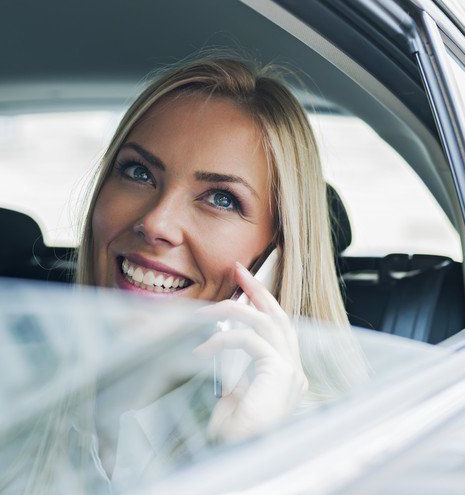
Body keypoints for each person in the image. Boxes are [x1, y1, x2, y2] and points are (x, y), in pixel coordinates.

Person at [75, 55, 366, 446]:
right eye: (139, 172)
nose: (157, 223)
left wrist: (246, 448)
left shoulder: (327, 442)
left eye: (221, 199)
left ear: (275, 257)